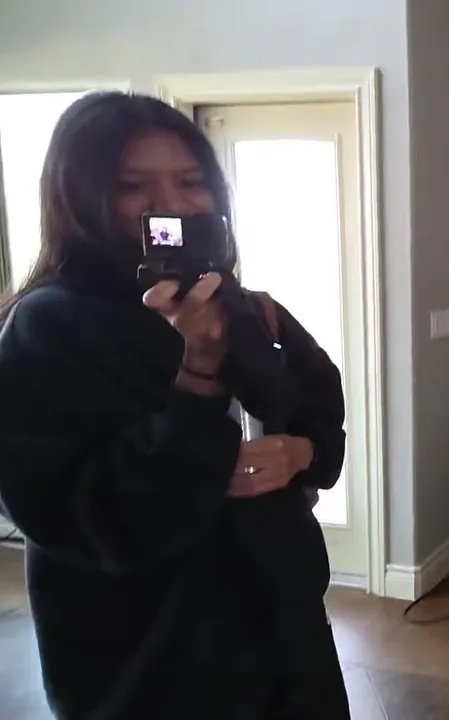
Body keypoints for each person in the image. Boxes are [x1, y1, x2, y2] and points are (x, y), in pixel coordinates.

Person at [0, 91, 350, 719]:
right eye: (131, 185)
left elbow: (320, 400)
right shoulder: (46, 328)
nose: (170, 204)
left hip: (285, 635)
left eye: (191, 182)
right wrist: (199, 373)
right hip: (149, 666)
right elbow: (92, 518)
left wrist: (304, 453)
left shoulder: (240, 305)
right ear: (78, 196)